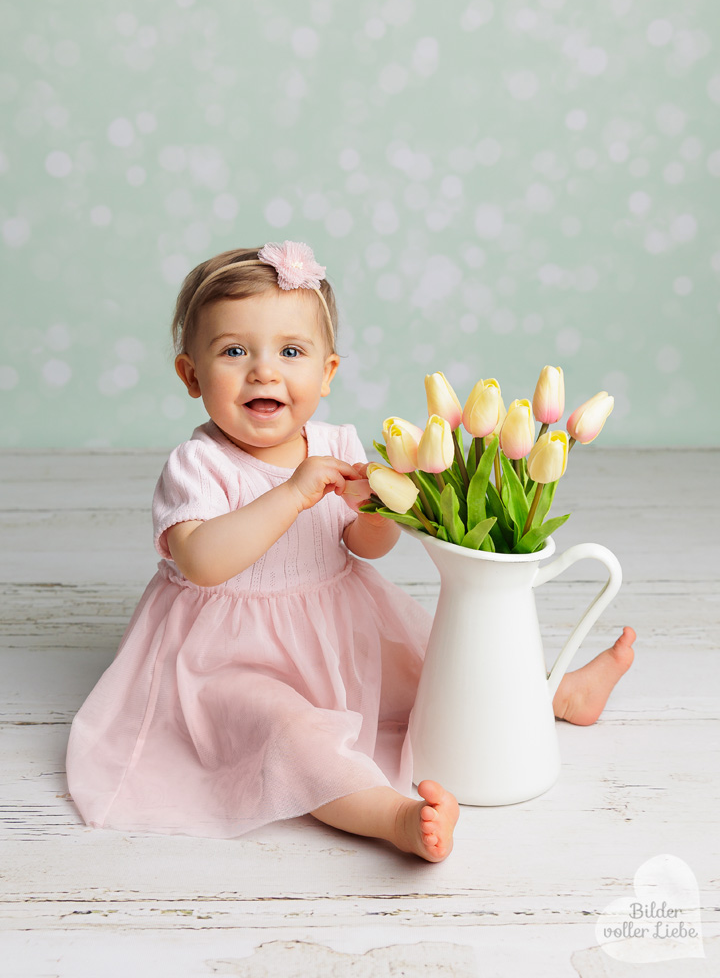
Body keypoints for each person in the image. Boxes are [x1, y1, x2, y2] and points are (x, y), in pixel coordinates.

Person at [66, 241, 635, 863]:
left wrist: (374, 508)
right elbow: (202, 561)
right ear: (191, 374)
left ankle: (558, 695)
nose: (264, 372)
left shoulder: (335, 443)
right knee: (290, 733)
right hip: (227, 658)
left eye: (291, 352)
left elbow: (368, 548)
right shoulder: (198, 464)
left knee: (443, 678)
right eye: (234, 351)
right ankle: (393, 816)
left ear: (327, 372)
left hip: (336, 629)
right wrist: (292, 493)